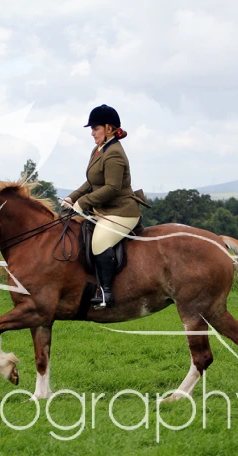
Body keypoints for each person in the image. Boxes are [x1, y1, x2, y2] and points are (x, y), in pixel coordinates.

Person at [61, 104, 143, 308]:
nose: (92, 133)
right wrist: (72, 198)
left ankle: (107, 293)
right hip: (105, 210)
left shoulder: (114, 153)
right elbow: (91, 182)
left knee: (99, 241)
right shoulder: (99, 150)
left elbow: (112, 188)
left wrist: (83, 202)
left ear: (108, 128)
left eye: (95, 128)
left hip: (122, 211)